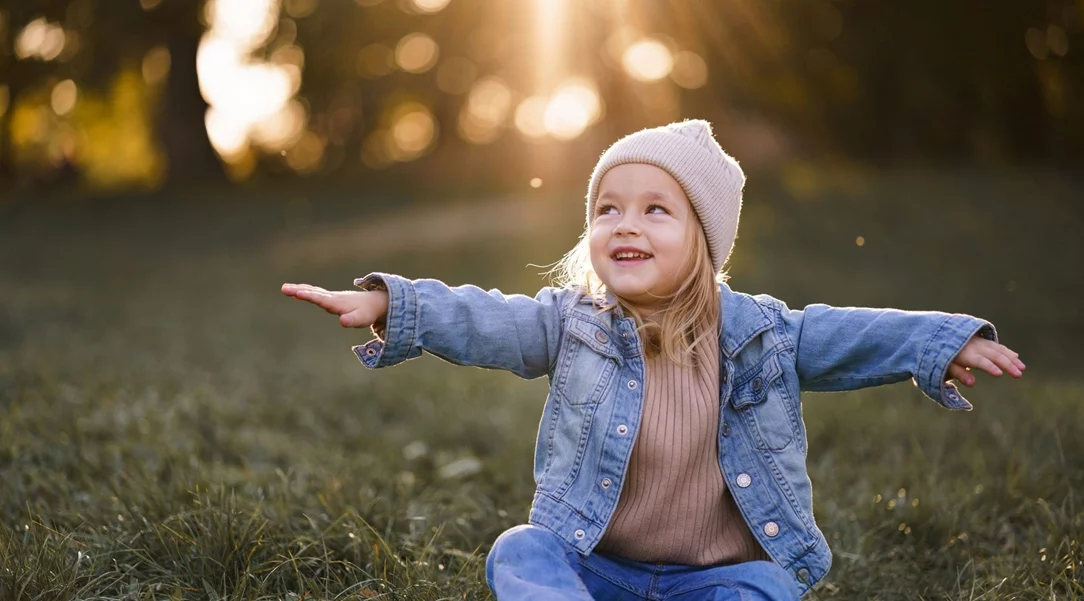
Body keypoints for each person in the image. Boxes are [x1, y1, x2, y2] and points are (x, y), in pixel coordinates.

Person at [280, 119, 1025, 600]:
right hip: (597, 567)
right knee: (519, 551)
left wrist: (941, 341)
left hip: (718, 577)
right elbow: (490, 318)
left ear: (703, 236)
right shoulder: (575, 324)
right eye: (608, 208)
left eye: (654, 209)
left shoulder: (760, 333)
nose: (624, 224)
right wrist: (395, 305)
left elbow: (852, 332)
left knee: (763, 592)